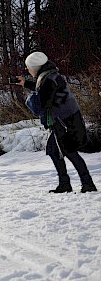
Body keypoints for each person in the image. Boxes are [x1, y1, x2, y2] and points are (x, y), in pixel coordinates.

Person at [16, 52, 97, 193]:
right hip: (68, 120)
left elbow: (42, 103)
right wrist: (26, 83)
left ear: (35, 67)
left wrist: (30, 100)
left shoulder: (47, 79)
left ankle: (85, 184)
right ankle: (68, 184)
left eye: (28, 68)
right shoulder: (52, 75)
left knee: (69, 152)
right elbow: (45, 89)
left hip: (63, 123)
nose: (28, 71)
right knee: (55, 151)